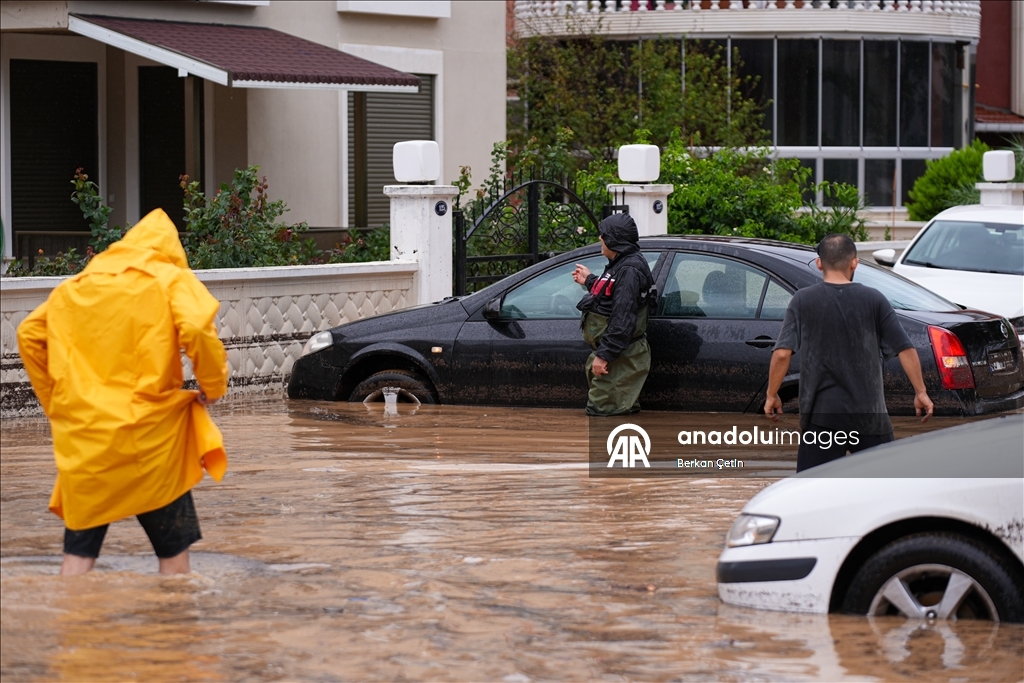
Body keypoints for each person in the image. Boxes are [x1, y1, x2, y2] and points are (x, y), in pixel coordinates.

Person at [17, 208, 229, 576]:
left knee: (79, 556)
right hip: (152, 440)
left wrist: (57, 404)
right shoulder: (169, 279)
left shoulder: (77, 286)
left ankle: (69, 627)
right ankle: (176, 629)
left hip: (86, 440)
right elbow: (196, 328)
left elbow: (28, 335)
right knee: (173, 550)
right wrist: (213, 387)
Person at [765, 233, 934, 472]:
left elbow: (782, 354)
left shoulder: (802, 300)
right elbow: (905, 349)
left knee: (812, 494)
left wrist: (772, 395)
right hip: (870, 417)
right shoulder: (874, 299)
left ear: (819, 263)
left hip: (821, 419)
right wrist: (921, 392)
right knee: (883, 492)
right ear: (855, 262)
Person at [572, 213, 655, 416]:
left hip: (620, 356)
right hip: (618, 354)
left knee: (604, 414)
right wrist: (590, 280)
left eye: (604, 235)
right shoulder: (623, 264)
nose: (600, 239)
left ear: (613, 240)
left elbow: (623, 318)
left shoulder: (629, 270)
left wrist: (604, 355)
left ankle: (607, 448)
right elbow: (612, 292)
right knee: (615, 412)